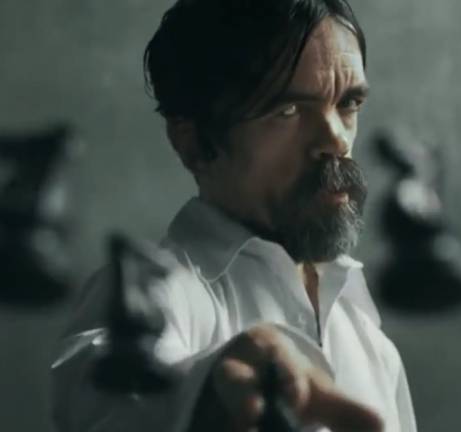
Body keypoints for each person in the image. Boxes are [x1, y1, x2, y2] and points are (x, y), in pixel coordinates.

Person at [51, 0, 418, 431]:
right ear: (193, 143)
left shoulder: (371, 343)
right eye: (287, 111)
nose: (335, 140)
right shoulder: (143, 299)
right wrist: (209, 400)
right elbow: (103, 406)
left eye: (348, 104)